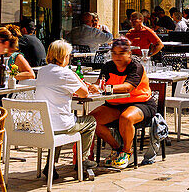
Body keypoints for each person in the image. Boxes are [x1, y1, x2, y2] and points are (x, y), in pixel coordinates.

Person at [35, 40, 99, 180]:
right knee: (90, 121)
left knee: (57, 124)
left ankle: (50, 164)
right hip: (60, 124)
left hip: (43, 124)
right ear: (64, 56)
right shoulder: (65, 73)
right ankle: (82, 160)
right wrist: (75, 76)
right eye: (69, 55)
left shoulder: (42, 71)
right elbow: (85, 94)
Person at [91, 38, 158, 169]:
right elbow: (99, 83)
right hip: (115, 104)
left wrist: (105, 88)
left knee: (126, 118)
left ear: (129, 54)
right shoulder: (108, 66)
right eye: (114, 53)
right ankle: (116, 148)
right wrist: (91, 87)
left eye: (121, 53)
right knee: (92, 120)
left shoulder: (136, 67)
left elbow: (128, 87)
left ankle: (127, 151)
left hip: (141, 103)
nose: (117, 57)